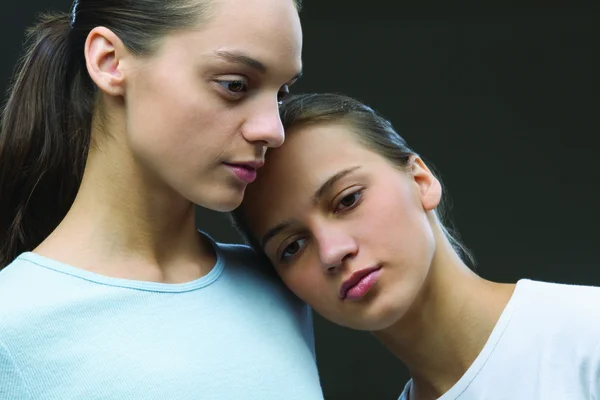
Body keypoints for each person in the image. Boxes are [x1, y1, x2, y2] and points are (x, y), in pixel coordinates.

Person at [0, 1, 325, 399]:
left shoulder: (276, 288)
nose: (273, 130)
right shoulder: (12, 326)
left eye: (282, 93)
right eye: (235, 85)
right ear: (109, 61)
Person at [234, 92, 600, 400]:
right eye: (292, 247)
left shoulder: (587, 337)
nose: (332, 252)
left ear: (421, 180)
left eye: (347, 200)